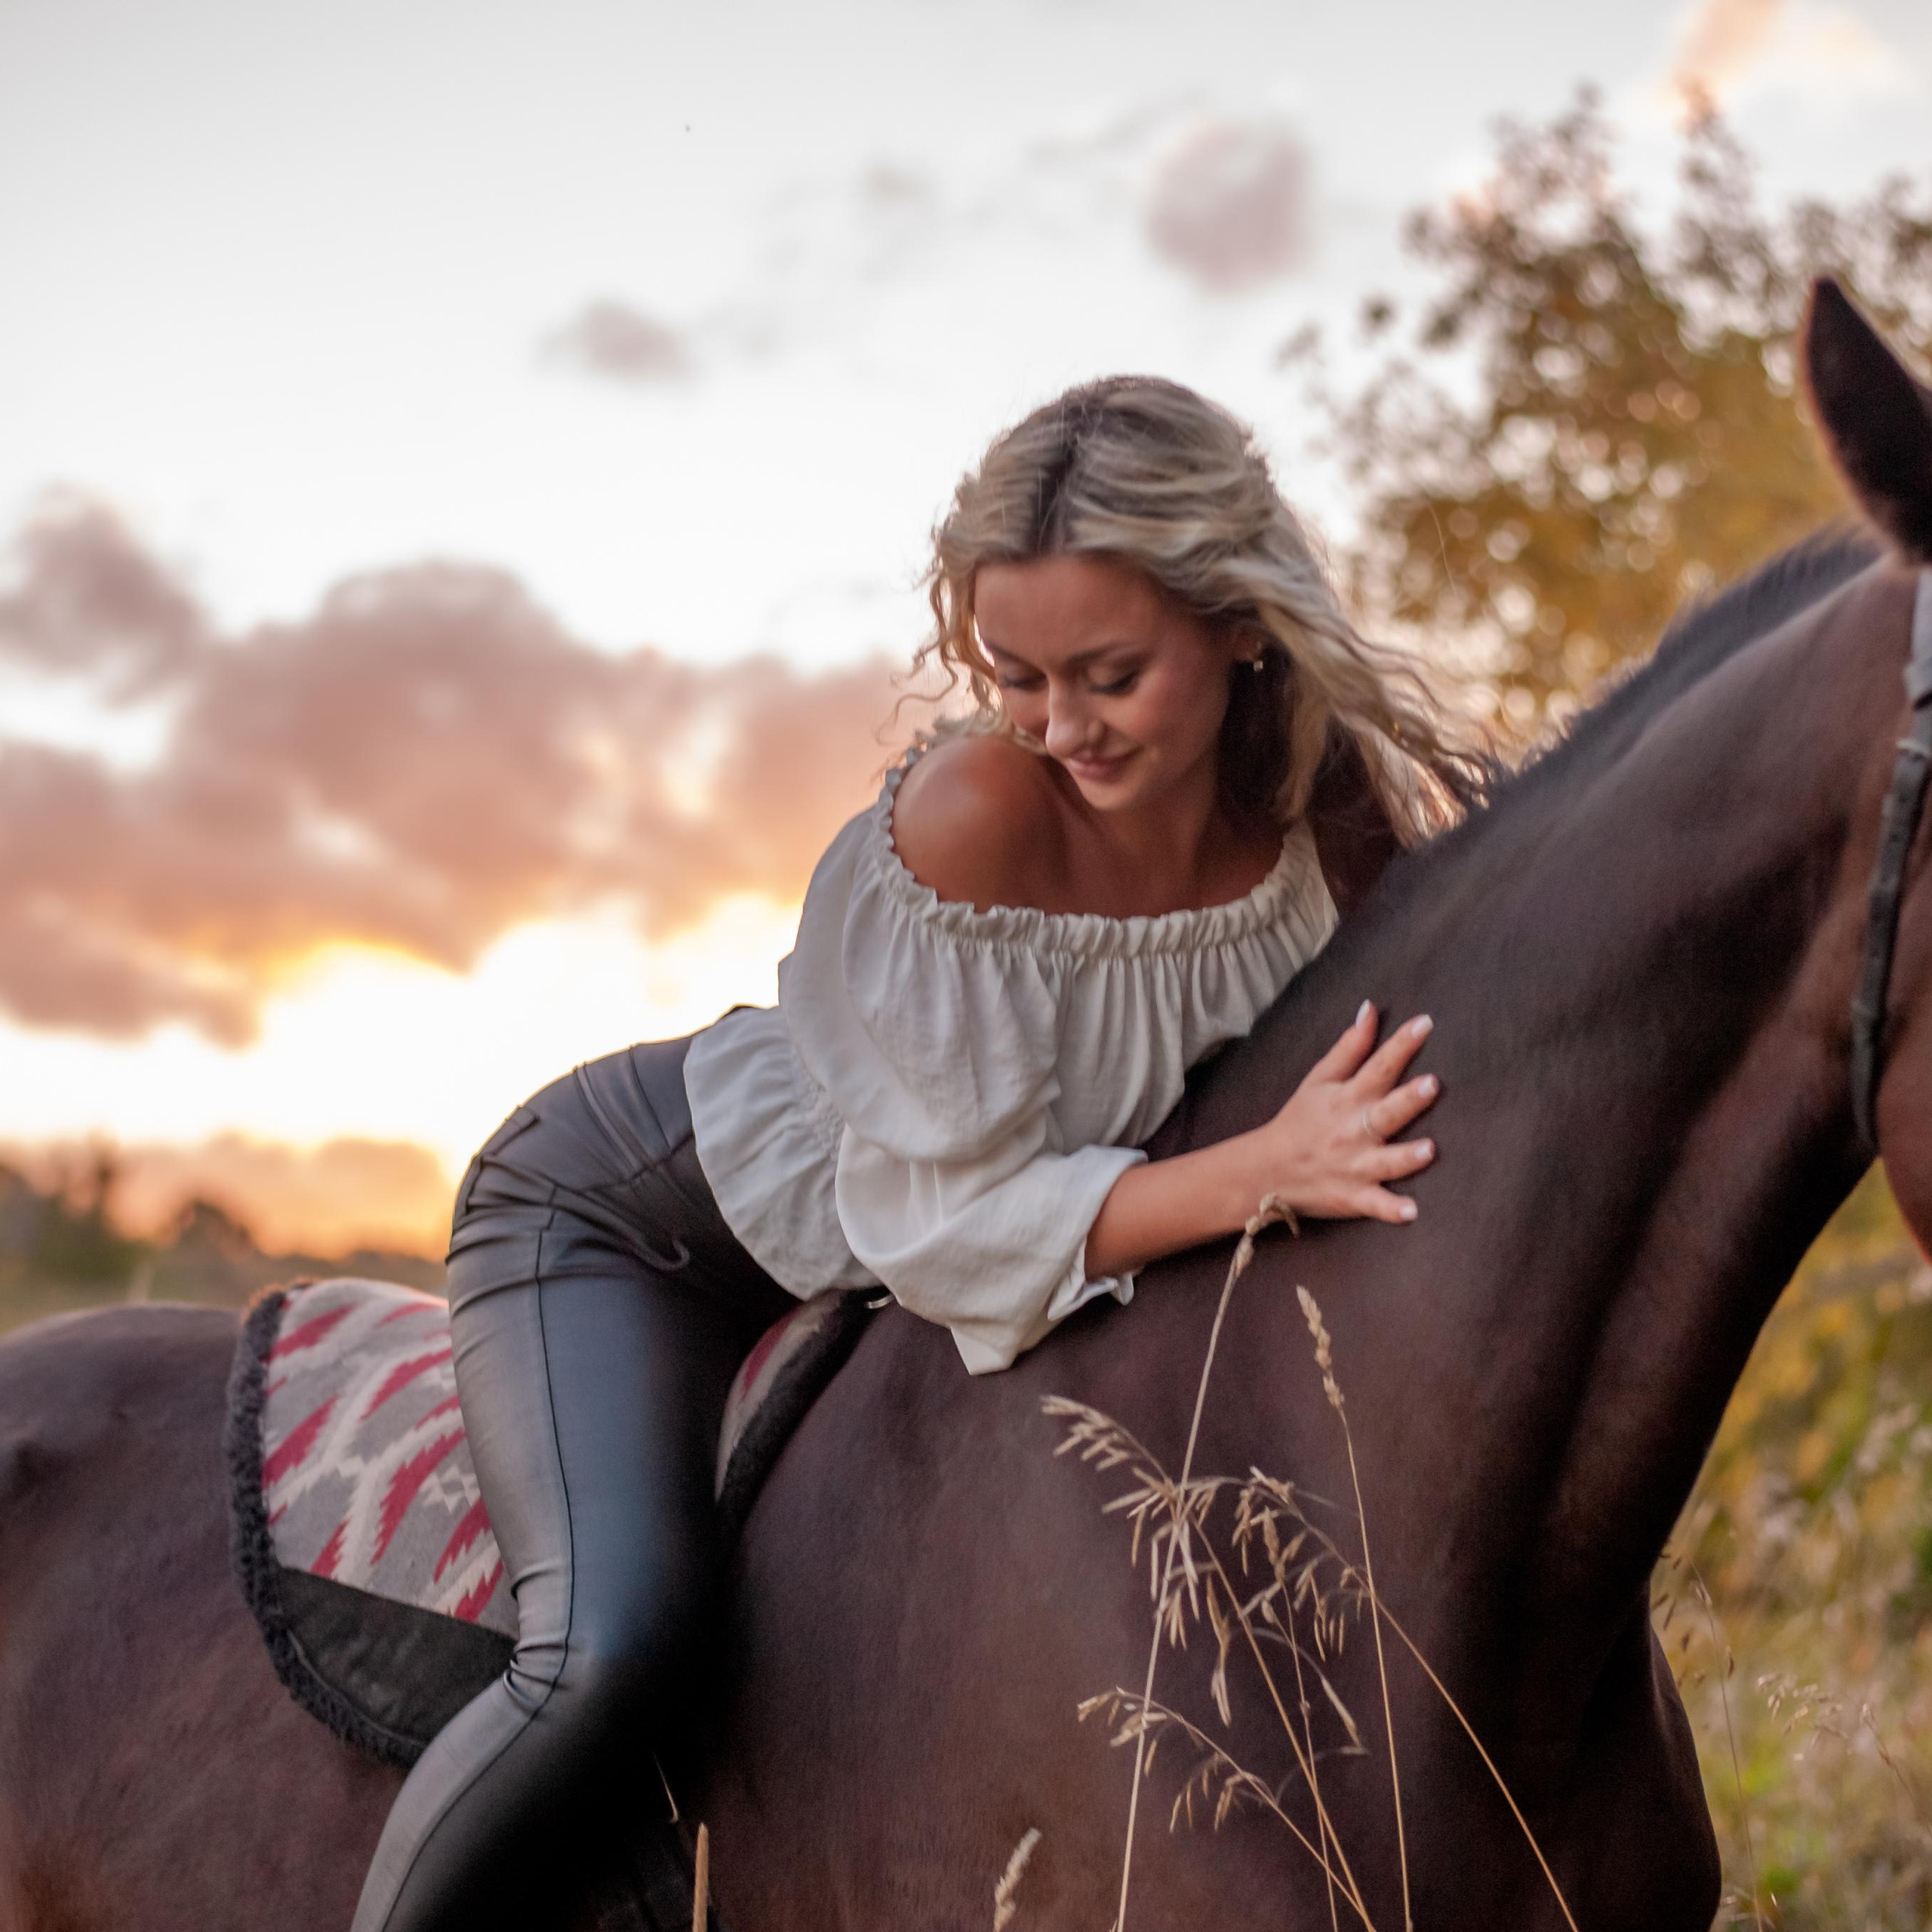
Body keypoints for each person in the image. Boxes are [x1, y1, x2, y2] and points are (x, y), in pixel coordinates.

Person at [350, 376, 1482, 1930]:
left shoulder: (1316, 804)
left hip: (933, 1243)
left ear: (1238, 624)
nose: (1059, 724)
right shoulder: (976, 817)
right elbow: (948, 1237)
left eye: (1108, 674)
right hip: (636, 1220)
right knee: (611, 1647)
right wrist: (1261, 1174)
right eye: (1013, 673)